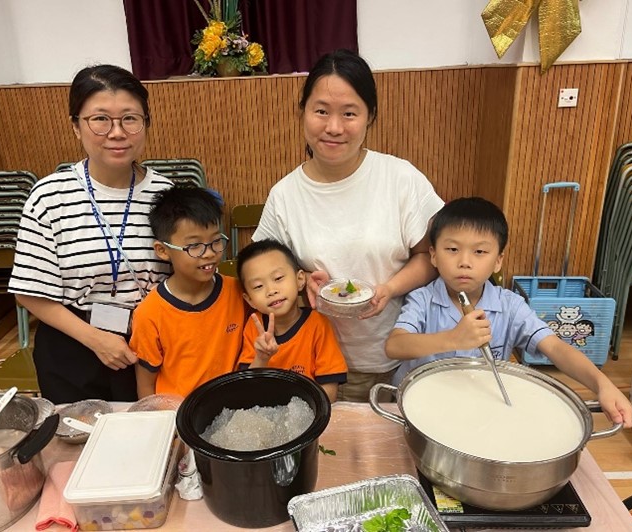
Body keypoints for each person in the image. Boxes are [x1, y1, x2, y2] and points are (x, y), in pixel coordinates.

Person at [252, 49, 444, 402]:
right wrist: (301, 280)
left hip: (396, 357)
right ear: (303, 111)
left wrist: (390, 288)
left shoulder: (400, 178)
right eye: (321, 111)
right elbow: (262, 272)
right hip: (315, 364)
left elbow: (431, 257)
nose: (334, 127)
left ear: (370, 116)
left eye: (349, 113)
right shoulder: (285, 195)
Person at [385, 197, 632, 427]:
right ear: (433, 255)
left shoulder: (510, 306)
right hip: (420, 409)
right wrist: (452, 339)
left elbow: (555, 348)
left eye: (479, 252)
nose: (465, 262)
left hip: (480, 410)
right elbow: (395, 346)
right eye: (452, 249)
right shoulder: (422, 299)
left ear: (498, 261)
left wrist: (602, 384)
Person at [9, 64, 174, 404]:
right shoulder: (49, 197)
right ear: (76, 126)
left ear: (146, 123)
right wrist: (97, 340)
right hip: (74, 349)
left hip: (151, 344)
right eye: (100, 119)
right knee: (78, 434)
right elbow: (29, 292)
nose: (117, 132)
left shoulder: (167, 195)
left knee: (150, 431)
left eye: (130, 118)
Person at [130, 186, 248, 399]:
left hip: (230, 409)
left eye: (215, 241)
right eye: (194, 246)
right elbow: (146, 383)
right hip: (177, 412)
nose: (209, 253)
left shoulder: (238, 292)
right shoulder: (150, 313)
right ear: (163, 250)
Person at [236, 239, 348, 402]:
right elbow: (246, 387)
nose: (271, 291)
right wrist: (262, 357)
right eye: (258, 286)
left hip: (309, 409)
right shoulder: (254, 327)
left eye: (278, 278)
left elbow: (329, 388)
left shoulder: (318, 324)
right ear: (249, 300)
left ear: (300, 280)